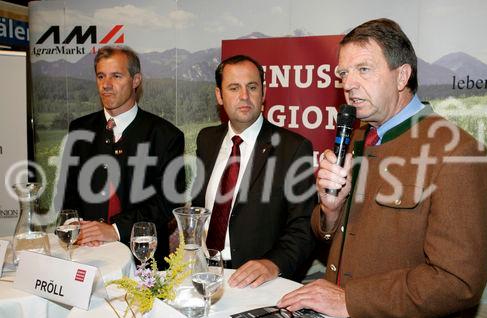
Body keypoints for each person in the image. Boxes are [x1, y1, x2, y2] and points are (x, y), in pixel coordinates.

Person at [278, 18, 487, 318]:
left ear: (402, 75)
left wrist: (350, 300)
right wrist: (330, 210)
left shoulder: (456, 151)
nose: (348, 84)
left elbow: (459, 281)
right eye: (343, 72)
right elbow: (328, 235)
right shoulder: (353, 139)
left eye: (363, 69)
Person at [191, 54, 316, 288]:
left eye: (252, 87)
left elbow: (304, 226)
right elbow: (200, 205)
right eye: (233, 88)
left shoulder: (293, 148)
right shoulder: (207, 139)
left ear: (264, 92)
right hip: (204, 271)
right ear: (219, 95)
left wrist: (273, 263)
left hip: (259, 282)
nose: (244, 96)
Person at [56, 46, 186, 269]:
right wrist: (74, 227)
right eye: (100, 76)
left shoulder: (165, 135)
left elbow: (167, 202)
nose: (106, 85)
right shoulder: (79, 129)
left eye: (116, 76)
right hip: (85, 255)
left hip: (144, 260)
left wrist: (114, 229)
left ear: (136, 80)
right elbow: (70, 195)